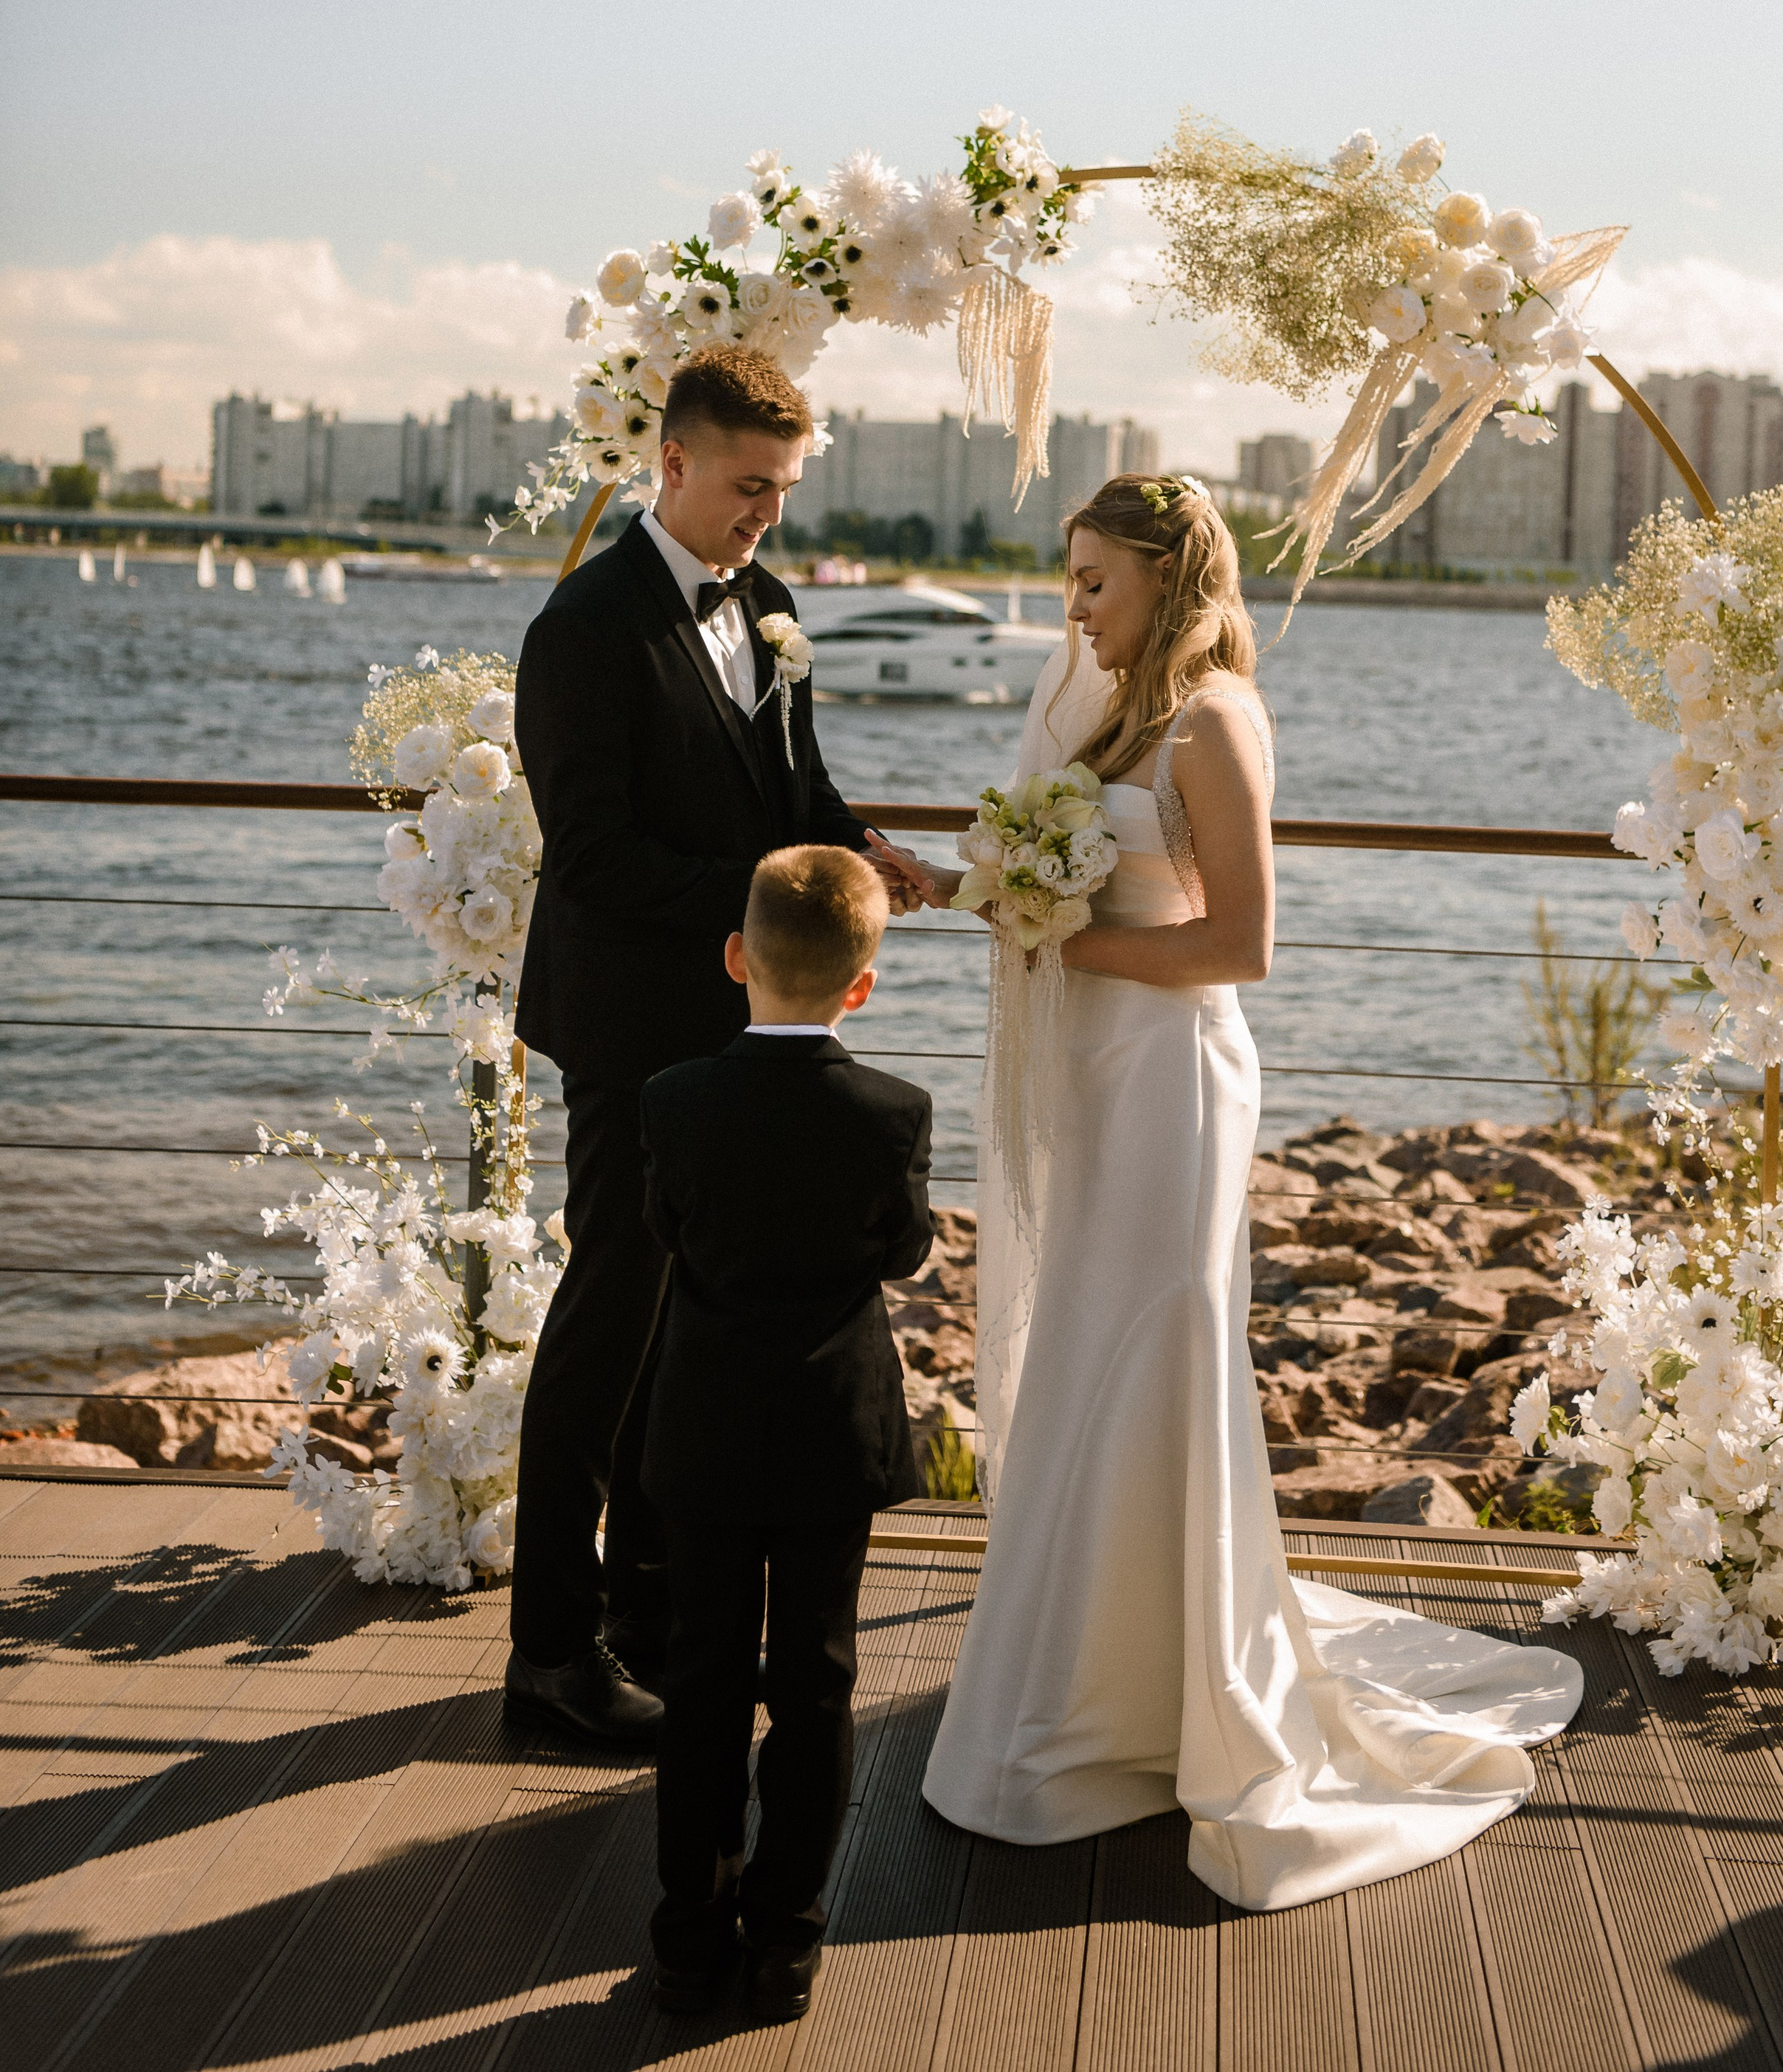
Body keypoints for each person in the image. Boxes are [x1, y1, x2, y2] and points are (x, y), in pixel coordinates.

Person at [917, 474, 1583, 1909]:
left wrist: (1058, 938)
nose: (1073, 606)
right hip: (1095, 1069)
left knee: (1147, 1351)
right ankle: (1086, 1673)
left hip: (1171, 1079)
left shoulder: (1213, 720)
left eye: (1094, 578)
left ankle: (1157, 1700)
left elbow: (1241, 945)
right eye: (1071, 577)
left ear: (1164, 577)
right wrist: (971, 890)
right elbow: (1070, 885)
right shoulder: (1107, 710)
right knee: (1084, 1347)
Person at [503, 343, 925, 1743]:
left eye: (785, 488)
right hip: (631, 1028)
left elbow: (793, 790)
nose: (769, 514)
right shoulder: (584, 628)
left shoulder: (776, 606)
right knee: (608, 1325)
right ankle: (549, 1656)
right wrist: (766, 903)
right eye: (750, 486)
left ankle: (652, 1620)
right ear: (672, 463)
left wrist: (863, 854)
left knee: (683, 1329)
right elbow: (594, 856)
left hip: (743, 1025)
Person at [641, 843, 933, 2024]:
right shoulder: (893, 1112)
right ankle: (786, 1941)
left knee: (701, 1676)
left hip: (706, 1423)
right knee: (816, 1680)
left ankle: (688, 1936)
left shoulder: (672, 1099)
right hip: (829, 1427)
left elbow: (669, 1230)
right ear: (863, 984)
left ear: (735, 957)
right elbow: (902, 1251)